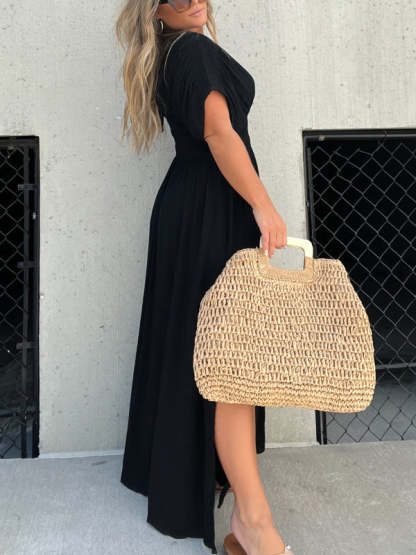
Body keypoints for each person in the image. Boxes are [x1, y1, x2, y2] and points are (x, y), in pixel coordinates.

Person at [115, 1, 290, 553]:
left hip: (196, 210)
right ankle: (253, 522)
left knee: (215, 357)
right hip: (212, 211)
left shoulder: (174, 52)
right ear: (156, 10)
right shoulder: (190, 49)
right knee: (230, 362)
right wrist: (263, 205)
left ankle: (232, 499)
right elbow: (218, 133)